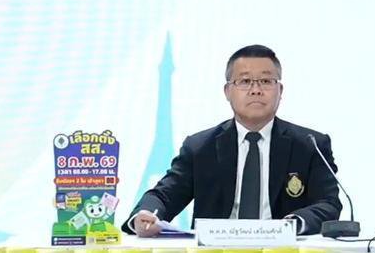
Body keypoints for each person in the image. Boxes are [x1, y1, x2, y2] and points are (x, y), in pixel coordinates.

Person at [123, 45, 342, 236]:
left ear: (280, 90)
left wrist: (293, 224)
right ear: (228, 91)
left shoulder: (310, 145)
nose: (256, 90)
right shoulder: (200, 147)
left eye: (266, 81)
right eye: (245, 81)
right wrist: (146, 215)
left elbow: (328, 203)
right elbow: (164, 195)